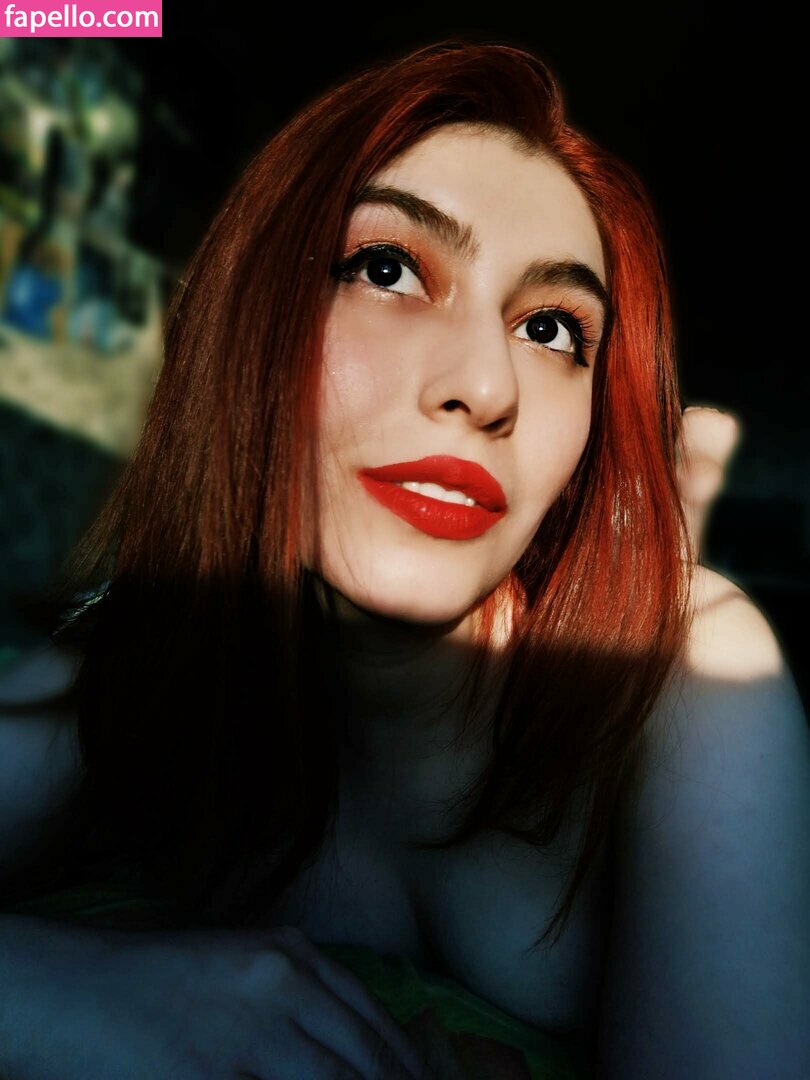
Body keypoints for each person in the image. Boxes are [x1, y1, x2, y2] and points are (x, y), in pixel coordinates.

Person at [0, 39, 807, 1080]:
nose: (487, 385)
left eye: (552, 329)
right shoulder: (137, 661)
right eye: (387, 270)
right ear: (250, 321)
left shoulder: (690, 673)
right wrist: (67, 994)